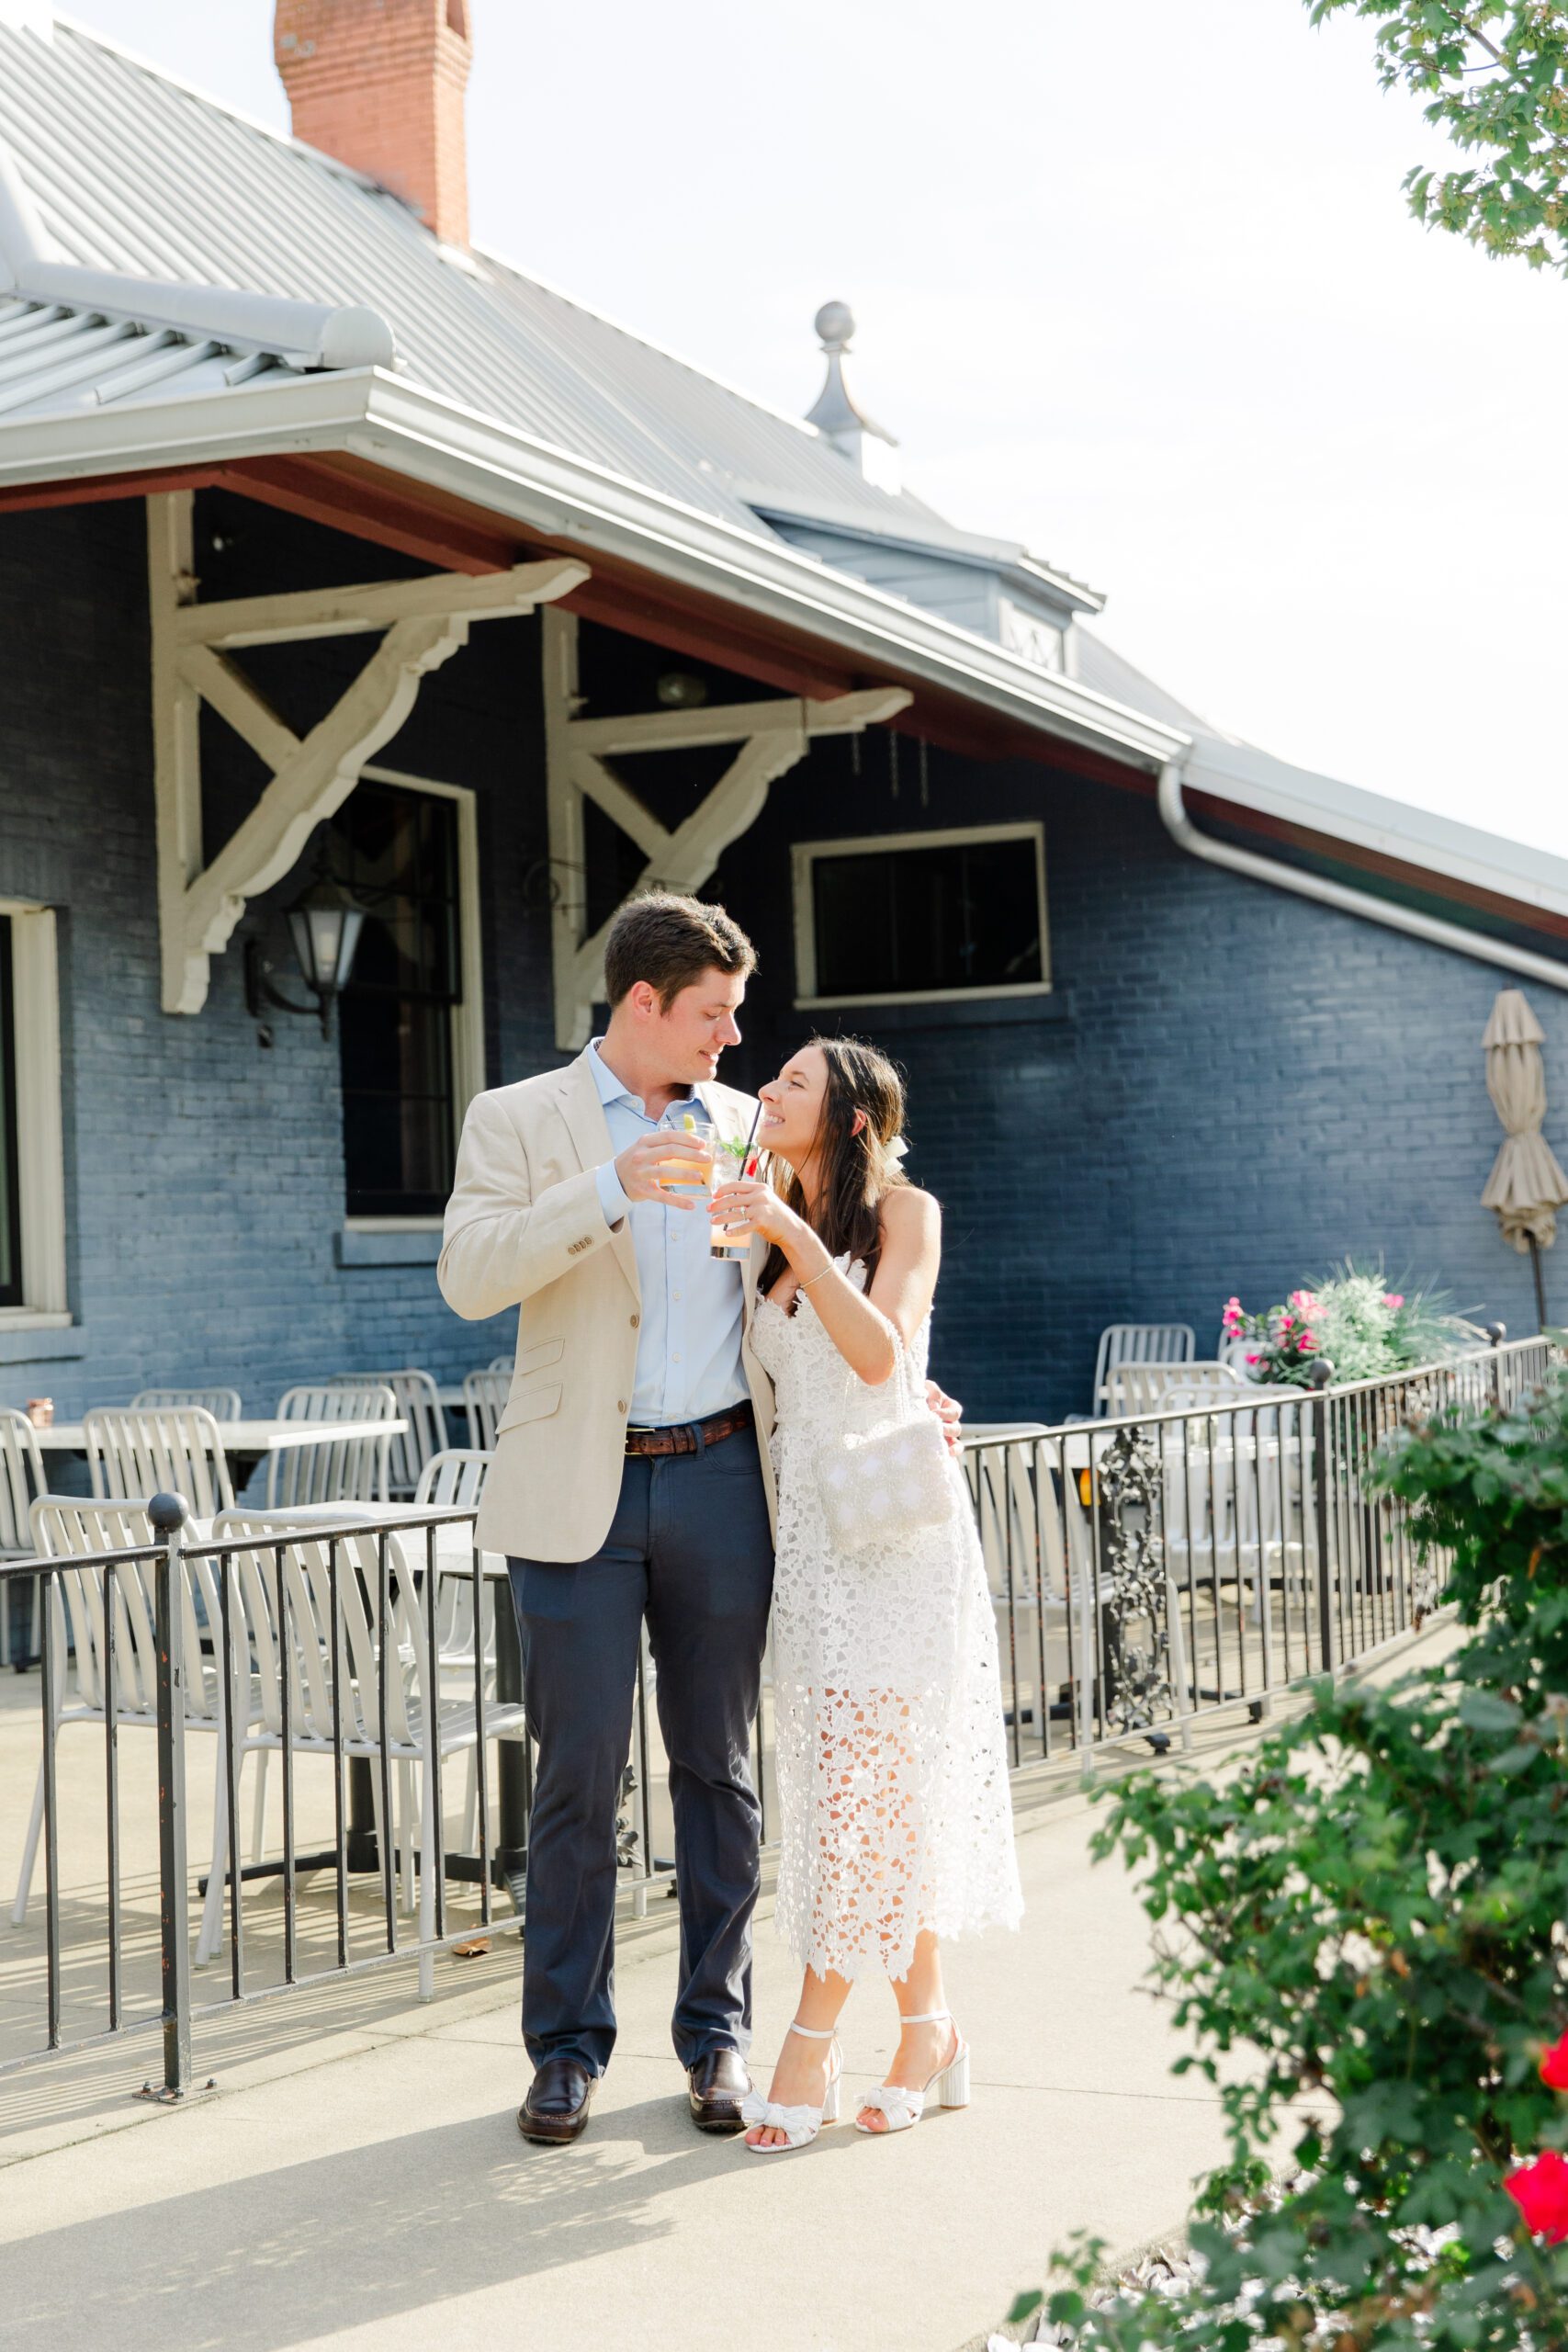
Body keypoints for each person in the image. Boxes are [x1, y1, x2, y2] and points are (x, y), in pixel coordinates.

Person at [437, 894, 959, 2147]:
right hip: (579, 1486)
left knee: (720, 1774)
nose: (733, 1037)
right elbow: (469, 1278)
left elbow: (837, 1284)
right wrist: (603, 1189)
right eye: (714, 1014)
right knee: (570, 1781)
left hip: (729, 1478)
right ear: (643, 1006)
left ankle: (714, 2040)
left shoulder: (749, 1129)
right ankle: (563, 2053)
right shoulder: (516, 1119)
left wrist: (911, 1392)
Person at [709, 1037, 1023, 2154]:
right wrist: (775, 1233)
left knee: (864, 1798)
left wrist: (790, 1231)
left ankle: (809, 2038)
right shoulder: (754, 1241)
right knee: (865, 1794)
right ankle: (930, 2027)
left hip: (893, 1548)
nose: (766, 1092)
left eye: (790, 1082)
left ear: (848, 1117)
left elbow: (885, 1354)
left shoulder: (907, 1214)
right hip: (811, 1550)